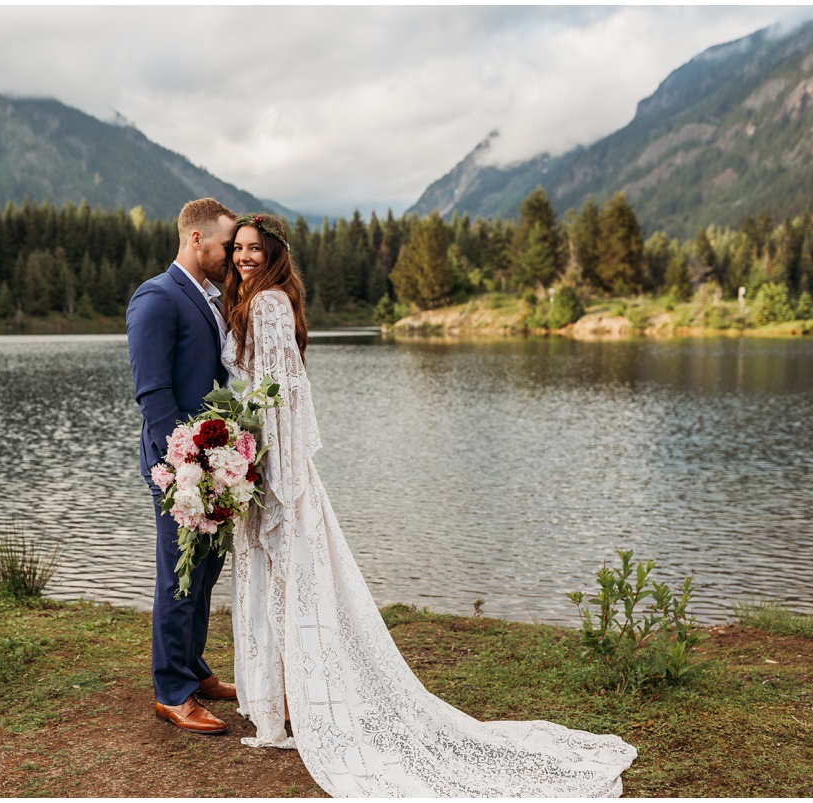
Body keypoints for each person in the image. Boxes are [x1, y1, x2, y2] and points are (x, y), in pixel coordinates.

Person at [222, 213, 638, 796]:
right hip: (266, 464)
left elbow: (278, 399)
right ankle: (289, 703)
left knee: (290, 584)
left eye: (254, 249)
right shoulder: (254, 301)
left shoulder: (267, 305)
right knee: (291, 585)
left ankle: (295, 707)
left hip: (276, 472)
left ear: (274, 255)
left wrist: (268, 472)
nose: (244, 257)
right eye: (238, 249)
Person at [126, 198, 240, 735]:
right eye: (226, 246)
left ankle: (193, 668)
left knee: (205, 572)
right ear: (196, 239)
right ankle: (172, 691)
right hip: (179, 469)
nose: (232, 256)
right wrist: (182, 467)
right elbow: (153, 394)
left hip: (213, 463)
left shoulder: (209, 297)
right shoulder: (156, 297)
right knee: (179, 576)